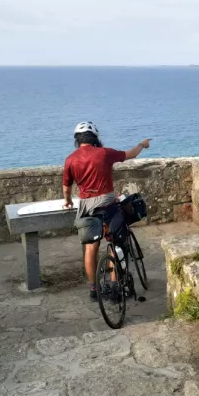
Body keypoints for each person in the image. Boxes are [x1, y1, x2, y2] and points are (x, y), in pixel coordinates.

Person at [62, 121, 151, 301]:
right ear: (95, 138)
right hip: (107, 204)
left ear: (77, 140)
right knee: (116, 242)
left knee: (90, 248)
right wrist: (142, 144)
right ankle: (115, 285)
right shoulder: (104, 153)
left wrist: (68, 201)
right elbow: (131, 154)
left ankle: (94, 289)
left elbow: (66, 187)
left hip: (86, 207)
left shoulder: (70, 159)